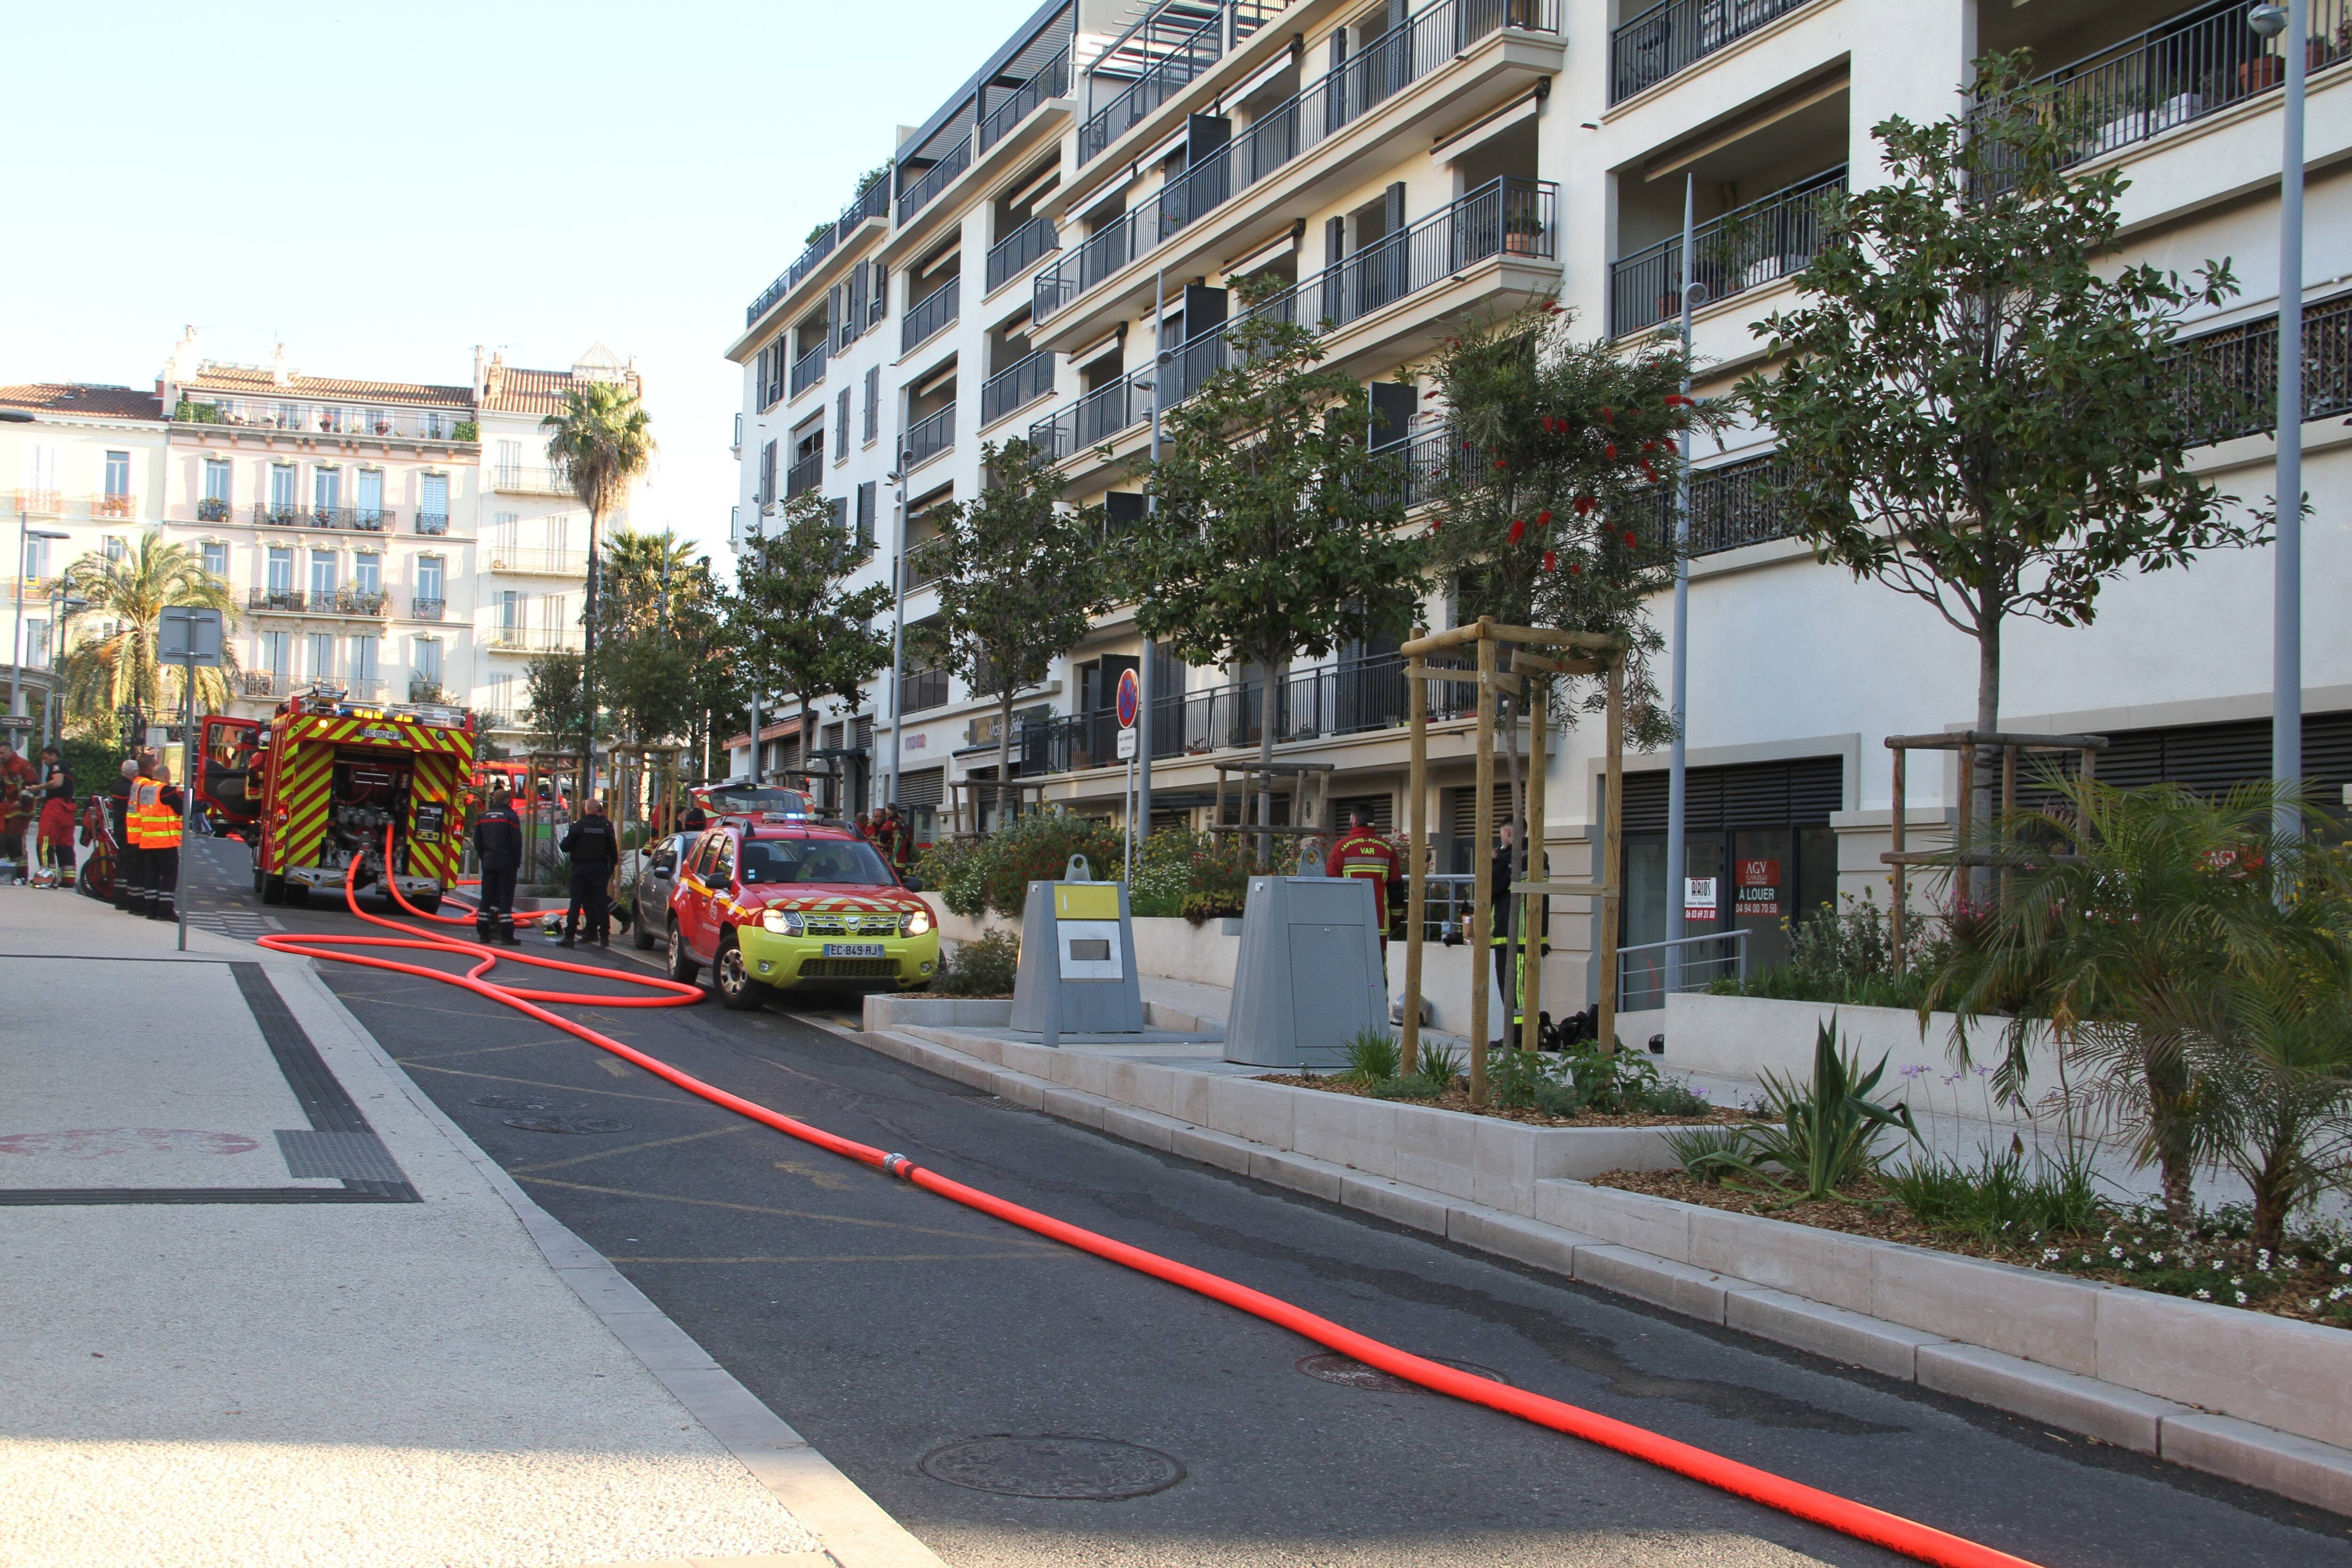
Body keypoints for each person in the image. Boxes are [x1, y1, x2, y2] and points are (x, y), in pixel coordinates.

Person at [1326, 809, 1404, 955]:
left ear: (1354, 822)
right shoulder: (1387, 849)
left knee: (1350, 967)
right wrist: (1394, 920)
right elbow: (1396, 889)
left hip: (1348, 924)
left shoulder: (1342, 847)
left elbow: (1330, 887)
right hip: (1379, 922)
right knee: (1378, 968)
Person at [558, 798, 619, 948]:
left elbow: (565, 846)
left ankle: (569, 937)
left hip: (580, 869)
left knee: (576, 903)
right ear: (598, 809)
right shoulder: (605, 827)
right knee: (601, 903)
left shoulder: (579, 826)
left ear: (586, 809)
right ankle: (605, 937)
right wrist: (610, 868)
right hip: (599, 869)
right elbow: (613, 851)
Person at [472, 787, 523, 947]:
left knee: (487, 898)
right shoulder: (511, 817)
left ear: (494, 800)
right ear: (508, 801)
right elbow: (517, 843)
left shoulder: (483, 817)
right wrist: (516, 862)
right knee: (505, 899)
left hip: (489, 862)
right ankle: (506, 935)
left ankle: (484, 933)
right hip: (507, 863)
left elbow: (477, 842)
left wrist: (484, 858)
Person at [136, 756, 186, 923]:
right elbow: (181, 808)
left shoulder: (144, 789)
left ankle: (151, 910)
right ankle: (165, 911)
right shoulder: (165, 790)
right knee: (169, 875)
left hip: (148, 840)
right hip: (165, 841)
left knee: (152, 874)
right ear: (166, 775)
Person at [34, 746, 75, 888]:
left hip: (55, 809)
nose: (44, 761)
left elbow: (57, 782)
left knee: (45, 841)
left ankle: (47, 878)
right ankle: (68, 879)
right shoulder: (66, 767)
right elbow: (63, 789)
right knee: (65, 845)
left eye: (45, 757)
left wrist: (38, 788)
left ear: (53, 755)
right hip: (68, 809)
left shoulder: (57, 765)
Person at [0, 740, 34, 884]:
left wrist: (23, 801)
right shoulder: (4, 768)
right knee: (5, 841)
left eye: (2, 753)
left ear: (11, 751)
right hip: (8, 810)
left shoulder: (23, 765)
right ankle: (8, 874)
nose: (0, 756)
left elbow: (33, 786)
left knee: (17, 842)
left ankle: (21, 875)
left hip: (22, 810)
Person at [108, 758, 140, 910]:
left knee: (123, 864)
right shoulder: (129, 789)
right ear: (134, 773)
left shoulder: (118, 786)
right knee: (128, 865)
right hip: (127, 830)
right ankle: (124, 899)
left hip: (120, 828)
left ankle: (121, 897)